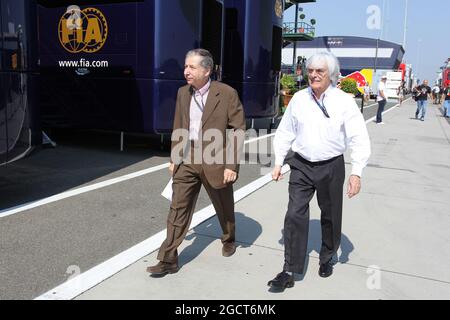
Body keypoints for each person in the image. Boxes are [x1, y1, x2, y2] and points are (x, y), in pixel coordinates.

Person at [268, 52, 371, 292]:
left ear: (332, 76)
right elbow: (285, 131)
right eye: (311, 70)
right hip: (301, 164)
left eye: (320, 71)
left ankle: (327, 256)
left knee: (331, 214)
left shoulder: (344, 101)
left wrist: (357, 172)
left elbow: (358, 137)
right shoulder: (299, 99)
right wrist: (278, 162)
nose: (313, 75)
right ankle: (290, 269)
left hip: (331, 165)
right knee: (294, 213)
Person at [146, 49, 246, 276]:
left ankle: (229, 237)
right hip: (188, 157)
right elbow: (179, 125)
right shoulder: (183, 93)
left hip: (215, 156)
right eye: (185, 66)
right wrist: (175, 157)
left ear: (207, 70)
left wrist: (231, 165)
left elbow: (237, 129)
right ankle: (168, 258)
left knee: (223, 205)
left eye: (191, 67)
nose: (186, 71)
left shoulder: (227, 93)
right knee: (177, 207)